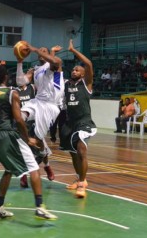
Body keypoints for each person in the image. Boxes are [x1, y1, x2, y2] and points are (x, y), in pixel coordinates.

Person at [0, 64, 58, 220]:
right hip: (7, 134)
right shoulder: (12, 93)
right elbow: (19, 120)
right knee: (34, 167)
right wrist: (27, 138)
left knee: (8, 169)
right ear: (7, 77)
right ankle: (40, 207)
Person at [59, 39, 97, 199]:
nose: (74, 71)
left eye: (77, 70)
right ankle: (80, 177)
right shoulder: (66, 84)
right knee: (73, 154)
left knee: (82, 150)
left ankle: (82, 184)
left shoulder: (86, 84)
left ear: (82, 74)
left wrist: (73, 51)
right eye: (73, 69)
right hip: (70, 123)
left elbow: (88, 64)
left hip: (84, 122)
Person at [16, 44, 64, 154]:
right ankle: (22, 140)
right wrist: (19, 62)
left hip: (50, 105)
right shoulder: (36, 70)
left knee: (38, 139)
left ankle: (43, 152)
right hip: (37, 101)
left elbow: (54, 62)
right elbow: (20, 82)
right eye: (40, 51)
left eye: (43, 51)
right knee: (19, 116)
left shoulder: (54, 64)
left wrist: (36, 49)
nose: (40, 52)